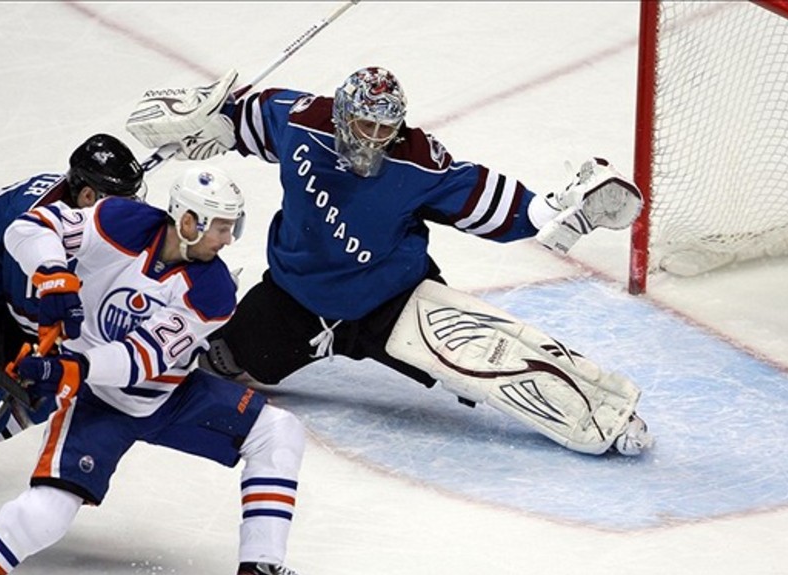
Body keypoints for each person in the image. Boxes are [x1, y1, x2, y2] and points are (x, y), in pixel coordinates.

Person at [124, 66, 654, 457]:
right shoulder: (298, 121)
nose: (375, 139)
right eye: (365, 126)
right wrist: (201, 119)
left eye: (386, 128)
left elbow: (484, 201)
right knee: (225, 363)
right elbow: (241, 119)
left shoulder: (417, 160)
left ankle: (607, 413)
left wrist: (546, 210)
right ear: (340, 114)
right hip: (294, 299)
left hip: (389, 298)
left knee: (477, 363)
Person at [0, 166, 329, 575]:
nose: (228, 239)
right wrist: (52, 275)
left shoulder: (213, 291)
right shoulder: (119, 222)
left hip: (170, 396)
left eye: (232, 225)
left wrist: (71, 369)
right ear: (187, 222)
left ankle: (260, 572)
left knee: (278, 430)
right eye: (220, 226)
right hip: (95, 405)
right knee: (48, 512)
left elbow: (141, 360)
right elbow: (29, 227)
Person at [0, 134, 145, 512]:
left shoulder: (74, 205)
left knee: (41, 392)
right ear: (86, 196)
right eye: (123, 199)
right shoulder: (36, 238)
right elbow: (33, 324)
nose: (133, 208)